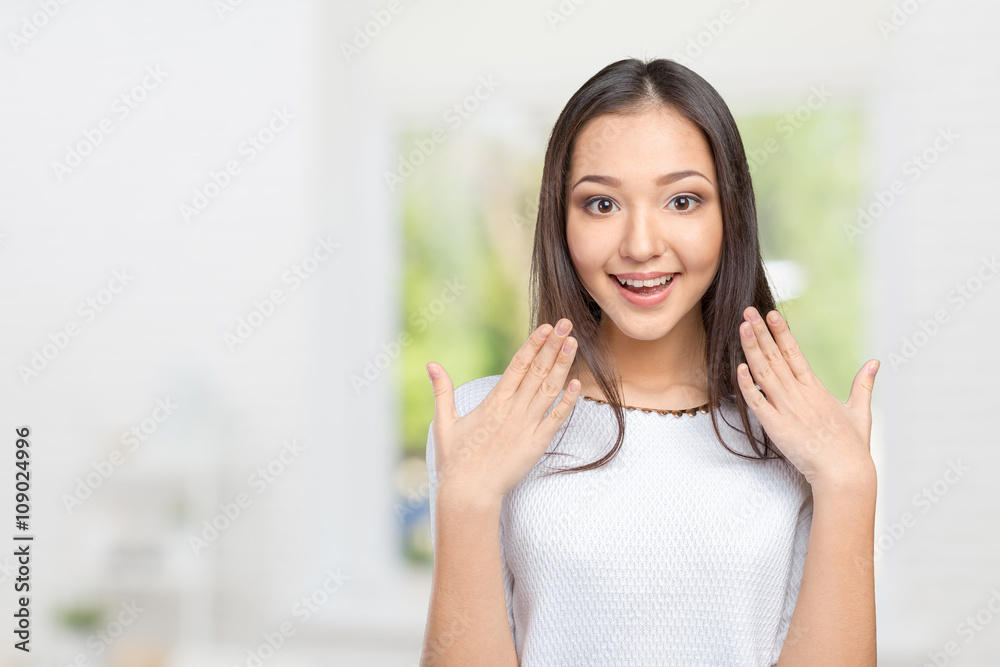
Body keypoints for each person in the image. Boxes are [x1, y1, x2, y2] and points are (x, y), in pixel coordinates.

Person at [419, 57, 879, 666]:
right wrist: (466, 500)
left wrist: (849, 486)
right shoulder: (483, 421)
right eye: (601, 205)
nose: (640, 245)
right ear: (561, 223)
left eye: (682, 201)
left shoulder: (807, 437)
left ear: (731, 216)